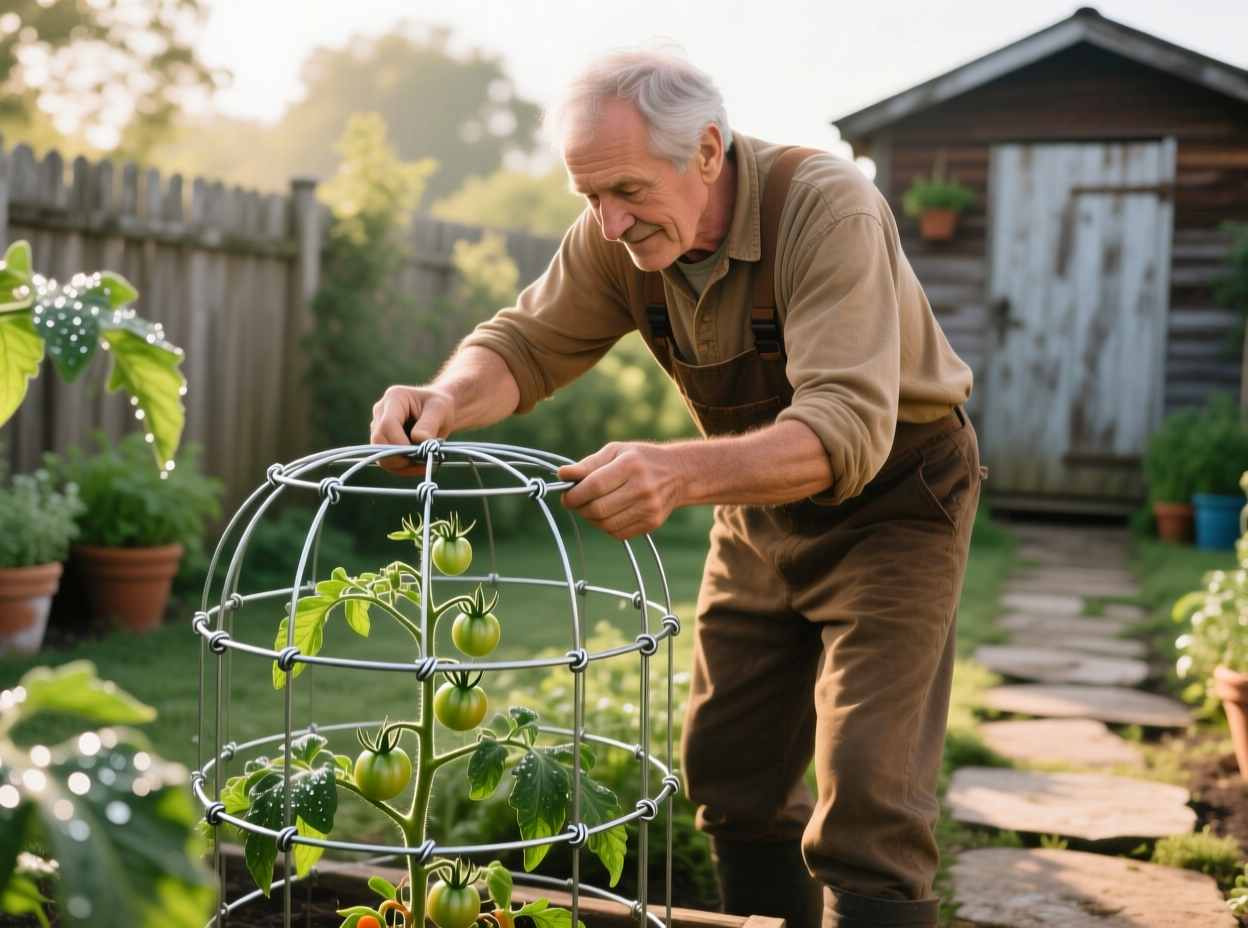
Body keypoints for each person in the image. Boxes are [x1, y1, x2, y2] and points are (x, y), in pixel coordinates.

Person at [369, 48, 981, 928]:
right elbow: (524, 344)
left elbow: (847, 425)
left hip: (897, 502)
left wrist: (676, 471)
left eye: (625, 191)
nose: (610, 224)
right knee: (731, 766)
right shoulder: (618, 238)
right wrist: (446, 399)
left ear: (704, 151)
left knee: (872, 791)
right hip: (756, 502)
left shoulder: (825, 207)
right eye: (590, 198)